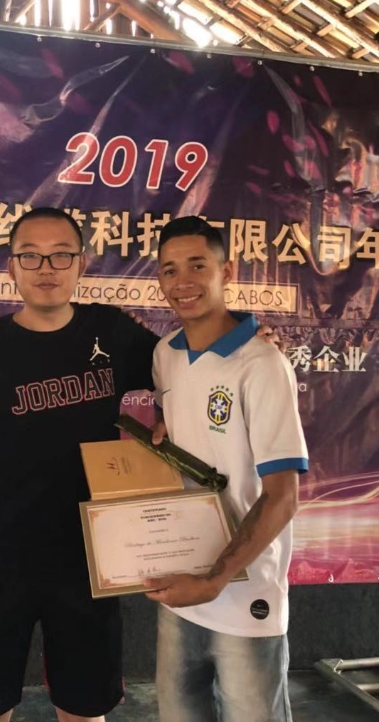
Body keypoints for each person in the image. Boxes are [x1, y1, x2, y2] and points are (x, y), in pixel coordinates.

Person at [0, 208, 278, 722]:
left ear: (82, 264)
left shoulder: (111, 330)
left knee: (85, 704)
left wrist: (249, 342)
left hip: (93, 558)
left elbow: (183, 364)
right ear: (11, 267)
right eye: (30, 256)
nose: (46, 268)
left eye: (61, 255)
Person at [145, 215, 308, 722]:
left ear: (227, 271)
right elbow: (172, 431)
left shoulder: (262, 364)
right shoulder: (165, 354)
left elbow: (282, 496)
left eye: (198, 265)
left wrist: (216, 579)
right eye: (170, 270)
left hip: (244, 593)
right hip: (181, 586)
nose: (183, 282)